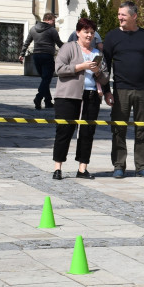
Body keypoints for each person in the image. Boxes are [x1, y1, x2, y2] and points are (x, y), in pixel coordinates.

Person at [102, 0, 144, 179]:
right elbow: (105, 65)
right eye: (119, 14)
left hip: (143, 90)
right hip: (120, 90)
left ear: (134, 16)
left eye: (123, 15)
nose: (119, 17)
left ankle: (141, 166)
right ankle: (119, 165)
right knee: (118, 129)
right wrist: (107, 90)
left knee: (142, 129)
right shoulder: (112, 36)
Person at [51, 18, 109, 181]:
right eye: (86, 32)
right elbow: (60, 69)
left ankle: (82, 168)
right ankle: (58, 167)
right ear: (78, 33)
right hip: (68, 96)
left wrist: (97, 72)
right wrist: (81, 67)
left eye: (92, 32)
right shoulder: (68, 48)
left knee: (87, 132)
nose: (89, 35)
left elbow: (105, 79)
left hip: (91, 96)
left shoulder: (98, 53)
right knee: (64, 131)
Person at [19, 13, 63, 110]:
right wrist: (68, 50)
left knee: (44, 79)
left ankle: (48, 101)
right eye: (53, 21)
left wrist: (22, 54)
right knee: (46, 79)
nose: (54, 23)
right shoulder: (52, 30)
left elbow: (27, 42)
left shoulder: (33, 29)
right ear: (49, 20)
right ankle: (38, 98)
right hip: (47, 56)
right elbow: (59, 43)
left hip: (36, 56)